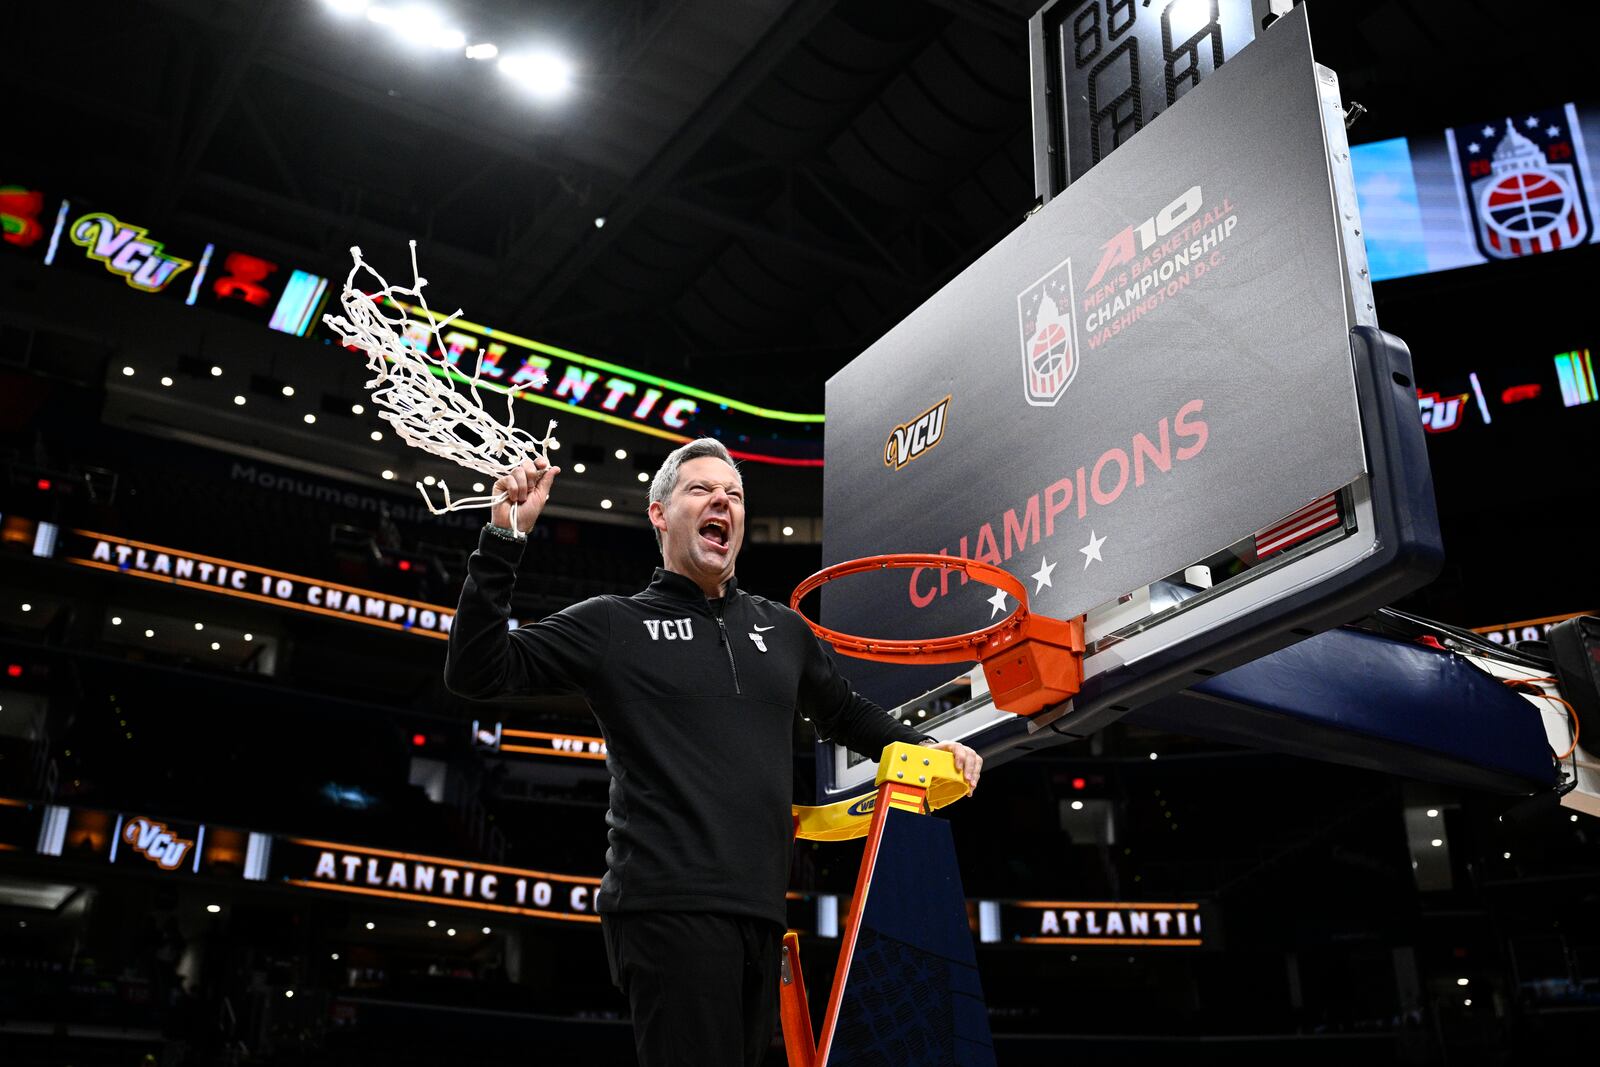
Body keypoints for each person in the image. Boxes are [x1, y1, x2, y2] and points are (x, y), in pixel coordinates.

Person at [445, 437, 982, 1067]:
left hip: (758, 911)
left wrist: (924, 745)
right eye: (701, 490)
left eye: (734, 495)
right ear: (659, 513)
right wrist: (503, 542)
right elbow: (476, 670)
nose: (721, 502)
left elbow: (844, 713)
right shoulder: (614, 623)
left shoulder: (783, 630)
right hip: (666, 904)